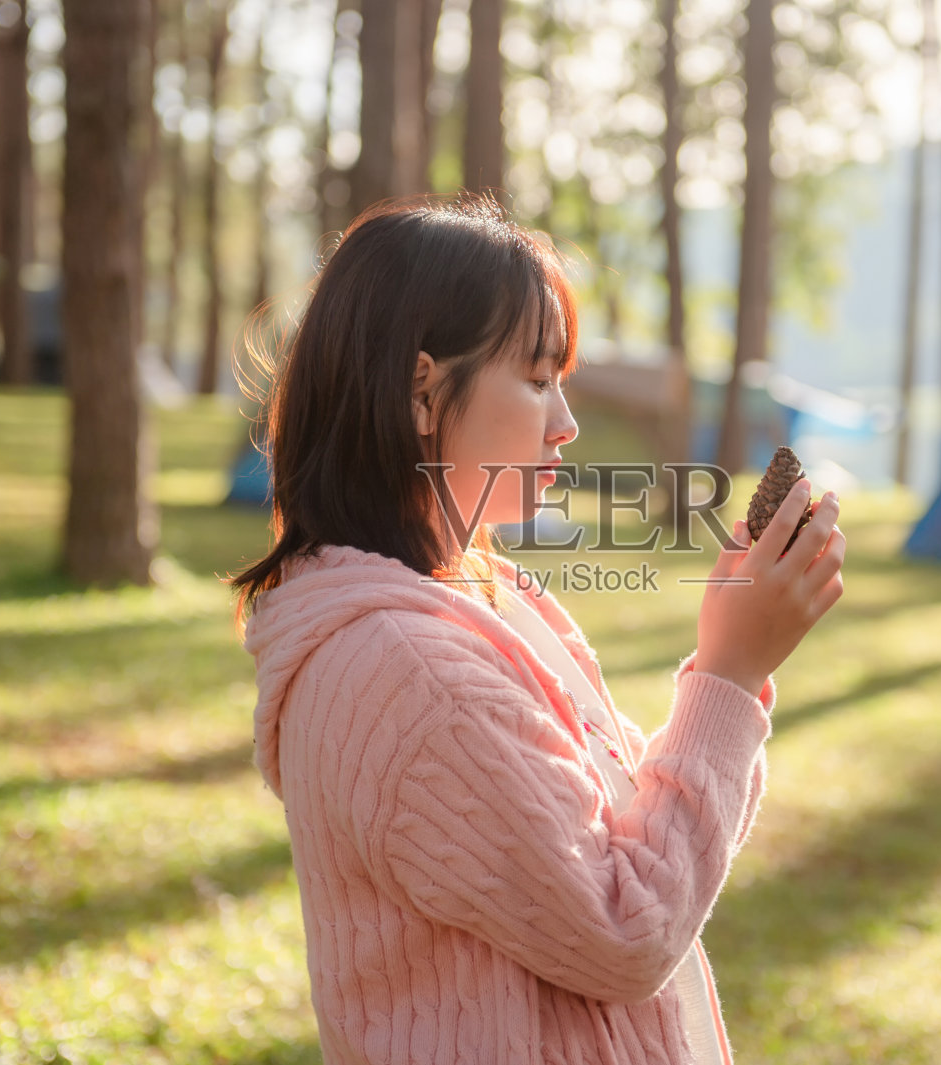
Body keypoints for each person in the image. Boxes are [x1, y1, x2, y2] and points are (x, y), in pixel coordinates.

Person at [234, 194, 845, 1065]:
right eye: (535, 376)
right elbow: (626, 925)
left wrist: (731, 652)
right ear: (419, 390)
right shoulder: (406, 670)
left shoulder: (485, 600)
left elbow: (630, 828)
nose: (567, 421)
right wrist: (730, 675)